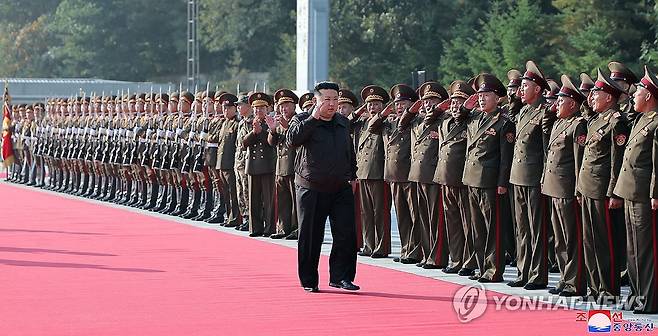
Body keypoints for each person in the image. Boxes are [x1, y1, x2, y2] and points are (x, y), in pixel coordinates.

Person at [287, 81, 359, 292]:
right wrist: (313, 119)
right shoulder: (302, 120)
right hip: (311, 187)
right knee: (310, 235)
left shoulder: (342, 122)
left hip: (340, 186)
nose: (331, 104)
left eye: (335, 99)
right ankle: (309, 280)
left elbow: (349, 151)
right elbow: (292, 140)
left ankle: (341, 276)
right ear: (316, 100)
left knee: (346, 234)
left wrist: (353, 174)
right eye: (326, 99)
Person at [613, 65, 658, 314]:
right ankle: (637, 293)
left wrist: (655, 193)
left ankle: (649, 298)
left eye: (639, 90)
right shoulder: (640, 119)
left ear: (649, 95)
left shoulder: (656, 123)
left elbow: (656, 163)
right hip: (629, 190)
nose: (633, 95)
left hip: (643, 194)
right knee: (632, 249)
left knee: (645, 248)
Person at [541, 74, 588, 297]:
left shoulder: (577, 126)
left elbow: (579, 161)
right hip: (553, 187)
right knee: (559, 237)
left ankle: (574, 281)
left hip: (567, 187)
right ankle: (564, 278)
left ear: (572, 104)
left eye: (561, 101)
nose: (556, 104)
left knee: (571, 237)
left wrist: (578, 189)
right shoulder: (559, 123)